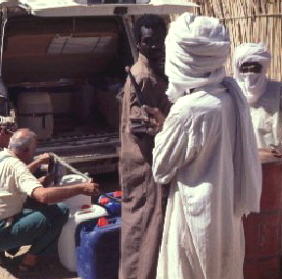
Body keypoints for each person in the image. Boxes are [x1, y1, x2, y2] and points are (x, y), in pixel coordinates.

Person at [149, 13, 262, 279]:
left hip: (195, 215)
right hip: (226, 211)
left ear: (182, 59)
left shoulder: (190, 109)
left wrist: (162, 130)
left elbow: (161, 168)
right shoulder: (229, 95)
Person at [0, 129, 99, 274]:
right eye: (34, 149)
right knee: (60, 211)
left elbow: (16, 175)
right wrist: (80, 188)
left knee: (32, 209)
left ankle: (4, 247)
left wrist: (38, 164)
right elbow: (43, 196)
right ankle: (29, 260)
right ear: (27, 150)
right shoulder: (18, 167)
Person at [119, 14, 170, 279]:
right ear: (138, 43)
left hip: (139, 163)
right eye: (148, 41)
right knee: (144, 231)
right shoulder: (145, 76)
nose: (155, 45)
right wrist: (166, 128)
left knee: (140, 228)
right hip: (145, 164)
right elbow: (139, 126)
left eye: (159, 40)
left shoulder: (149, 70)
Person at [233, 43, 282, 148]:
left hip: (271, 158)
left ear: (263, 69)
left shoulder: (277, 91)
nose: (250, 73)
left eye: (255, 68)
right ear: (238, 69)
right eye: (245, 69)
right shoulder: (231, 93)